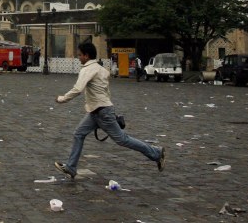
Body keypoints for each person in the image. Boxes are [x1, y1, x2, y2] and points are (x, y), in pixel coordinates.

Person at [54, 41, 165, 179]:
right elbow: (106, 92)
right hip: (98, 111)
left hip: (101, 112)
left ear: (86, 55)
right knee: (78, 134)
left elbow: (78, 89)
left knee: (123, 140)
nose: (78, 57)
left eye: (80, 55)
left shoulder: (87, 69)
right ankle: (71, 168)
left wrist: (62, 99)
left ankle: (156, 153)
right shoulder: (102, 69)